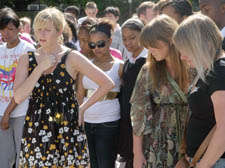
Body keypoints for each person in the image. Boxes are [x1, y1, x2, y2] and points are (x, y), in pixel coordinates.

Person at [13, 7, 114, 167]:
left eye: (47, 30)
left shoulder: (71, 57)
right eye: (38, 29)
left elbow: (107, 83)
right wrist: (40, 68)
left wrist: (83, 108)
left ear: (59, 31)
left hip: (67, 126)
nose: (41, 34)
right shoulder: (27, 58)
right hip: (37, 127)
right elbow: (18, 97)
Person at [130, 15, 189, 168]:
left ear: (170, 39)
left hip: (191, 143)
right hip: (158, 146)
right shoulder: (148, 70)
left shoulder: (193, 66)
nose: (149, 50)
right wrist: (137, 154)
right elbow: (138, 114)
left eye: (152, 44)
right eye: (147, 45)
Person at [173, 13, 225, 168]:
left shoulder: (219, 72)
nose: (182, 57)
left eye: (185, 50)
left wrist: (204, 165)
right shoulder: (211, 70)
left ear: (205, 44)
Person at [77, 20, 123, 168]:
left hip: (108, 121)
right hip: (87, 122)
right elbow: (79, 94)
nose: (96, 48)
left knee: (106, 164)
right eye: (92, 44)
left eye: (101, 43)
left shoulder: (119, 66)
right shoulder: (84, 64)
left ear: (110, 41)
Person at [0, 8, 35, 168]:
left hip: (22, 112)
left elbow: (27, 86)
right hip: (1, 112)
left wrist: (8, 112)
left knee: (23, 158)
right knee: (4, 160)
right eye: (2, 29)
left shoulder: (28, 49)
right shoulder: (0, 50)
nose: (5, 33)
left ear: (19, 29)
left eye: (10, 29)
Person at [118, 18, 148, 168]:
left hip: (140, 122)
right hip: (126, 120)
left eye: (132, 38)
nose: (128, 42)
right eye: (124, 39)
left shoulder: (148, 61)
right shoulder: (128, 61)